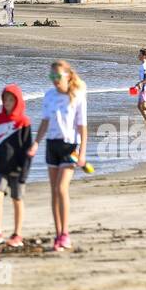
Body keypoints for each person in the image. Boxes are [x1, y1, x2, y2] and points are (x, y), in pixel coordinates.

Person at [35, 60, 88, 253]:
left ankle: (65, 234)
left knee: (61, 188)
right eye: (52, 77)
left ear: (67, 76)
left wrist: (82, 152)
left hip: (69, 147)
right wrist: (35, 143)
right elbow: (44, 122)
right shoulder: (48, 96)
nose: (55, 81)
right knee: (53, 191)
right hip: (52, 145)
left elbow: (83, 127)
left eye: (58, 76)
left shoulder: (77, 95)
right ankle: (58, 234)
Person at [0, 85, 35, 249]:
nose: (7, 102)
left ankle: (17, 234)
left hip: (18, 168)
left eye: (11, 100)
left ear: (18, 101)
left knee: (17, 199)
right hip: (1, 167)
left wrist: (25, 172)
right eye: (5, 99)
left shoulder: (24, 122)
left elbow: (29, 149)